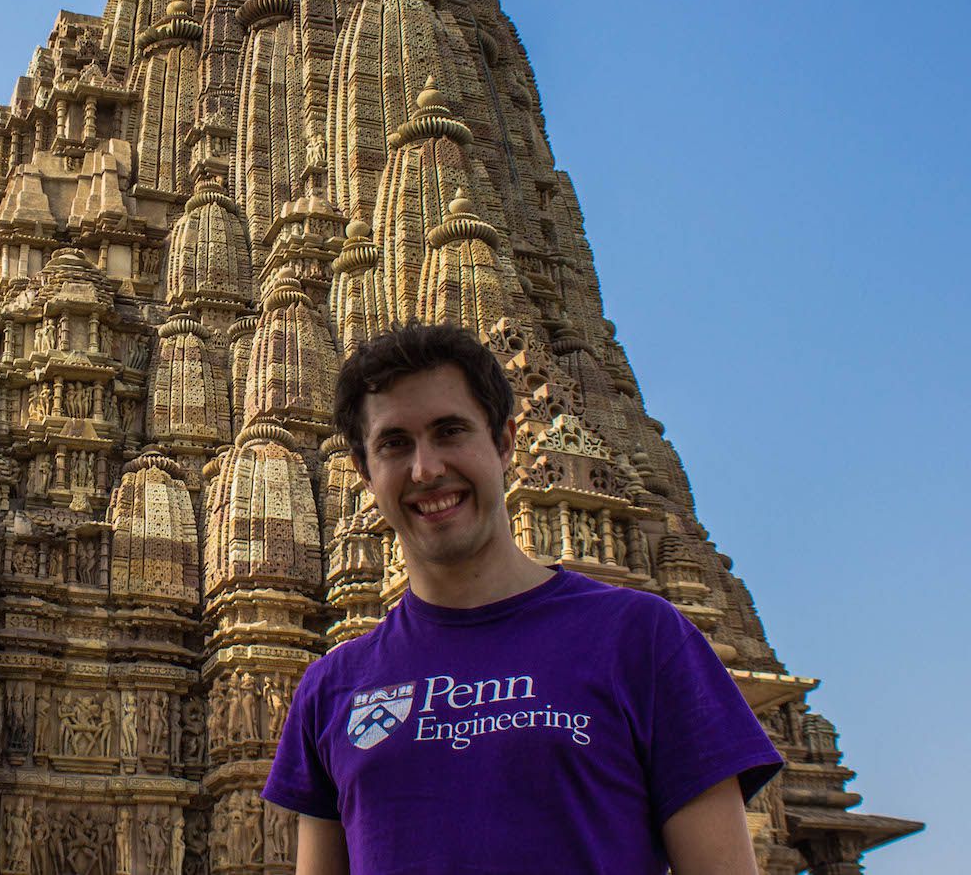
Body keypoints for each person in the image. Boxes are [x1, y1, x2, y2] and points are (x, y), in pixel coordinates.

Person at [262, 323, 782, 874]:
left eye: (450, 431)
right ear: (365, 472)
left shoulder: (643, 639)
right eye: (395, 444)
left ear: (505, 442)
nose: (426, 469)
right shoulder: (332, 689)